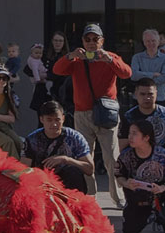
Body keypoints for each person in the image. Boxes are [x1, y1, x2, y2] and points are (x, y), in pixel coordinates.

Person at [52, 24, 130, 206]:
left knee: (111, 157)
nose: (91, 43)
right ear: (83, 42)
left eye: (95, 39)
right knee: (85, 157)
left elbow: (127, 73)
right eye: (88, 39)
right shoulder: (77, 60)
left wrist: (110, 59)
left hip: (106, 113)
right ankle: (90, 196)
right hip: (82, 114)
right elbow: (56, 70)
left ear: (102, 41)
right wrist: (70, 56)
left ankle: (118, 197)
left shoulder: (110, 57)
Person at [115, 118, 165, 233]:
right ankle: (153, 215)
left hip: (161, 189)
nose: (130, 137)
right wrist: (127, 184)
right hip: (139, 194)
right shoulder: (126, 156)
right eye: (130, 133)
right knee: (130, 230)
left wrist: (163, 187)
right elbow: (118, 174)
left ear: (146, 137)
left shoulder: (161, 154)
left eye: (135, 134)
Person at [122, 79, 165, 185]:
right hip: (136, 159)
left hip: (164, 157)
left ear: (156, 94)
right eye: (142, 94)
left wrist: (162, 161)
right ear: (136, 94)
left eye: (150, 94)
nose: (147, 98)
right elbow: (122, 146)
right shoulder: (128, 117)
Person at [22, 100, 93, 193]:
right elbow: (23, 170)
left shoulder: (75, 137)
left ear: (63, 118)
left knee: (73, 171)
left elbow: (89, 169)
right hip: (42, 184)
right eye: (49, 120)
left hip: (69, 185)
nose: (54, 124)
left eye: (57, 120)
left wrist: (66, 159)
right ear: (41, 119)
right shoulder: (32, 140)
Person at [131, 28, 165, 104]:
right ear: (144, 43)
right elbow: (134, 76)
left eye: (153, 41)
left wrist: (143, 81)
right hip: (140, 99)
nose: (150, 43)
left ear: (158, 42)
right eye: (148, 41)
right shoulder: (137, 57)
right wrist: (153, 74)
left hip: (159, 98)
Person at [20, 42, 52, 119]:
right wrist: (37, 77)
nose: (38, 54)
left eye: (60, 41)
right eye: (55, 41)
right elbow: (27, 70)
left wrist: (48, 75)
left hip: (54, 91)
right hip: (41, 91)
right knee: (41, 118)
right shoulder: (36, 59)